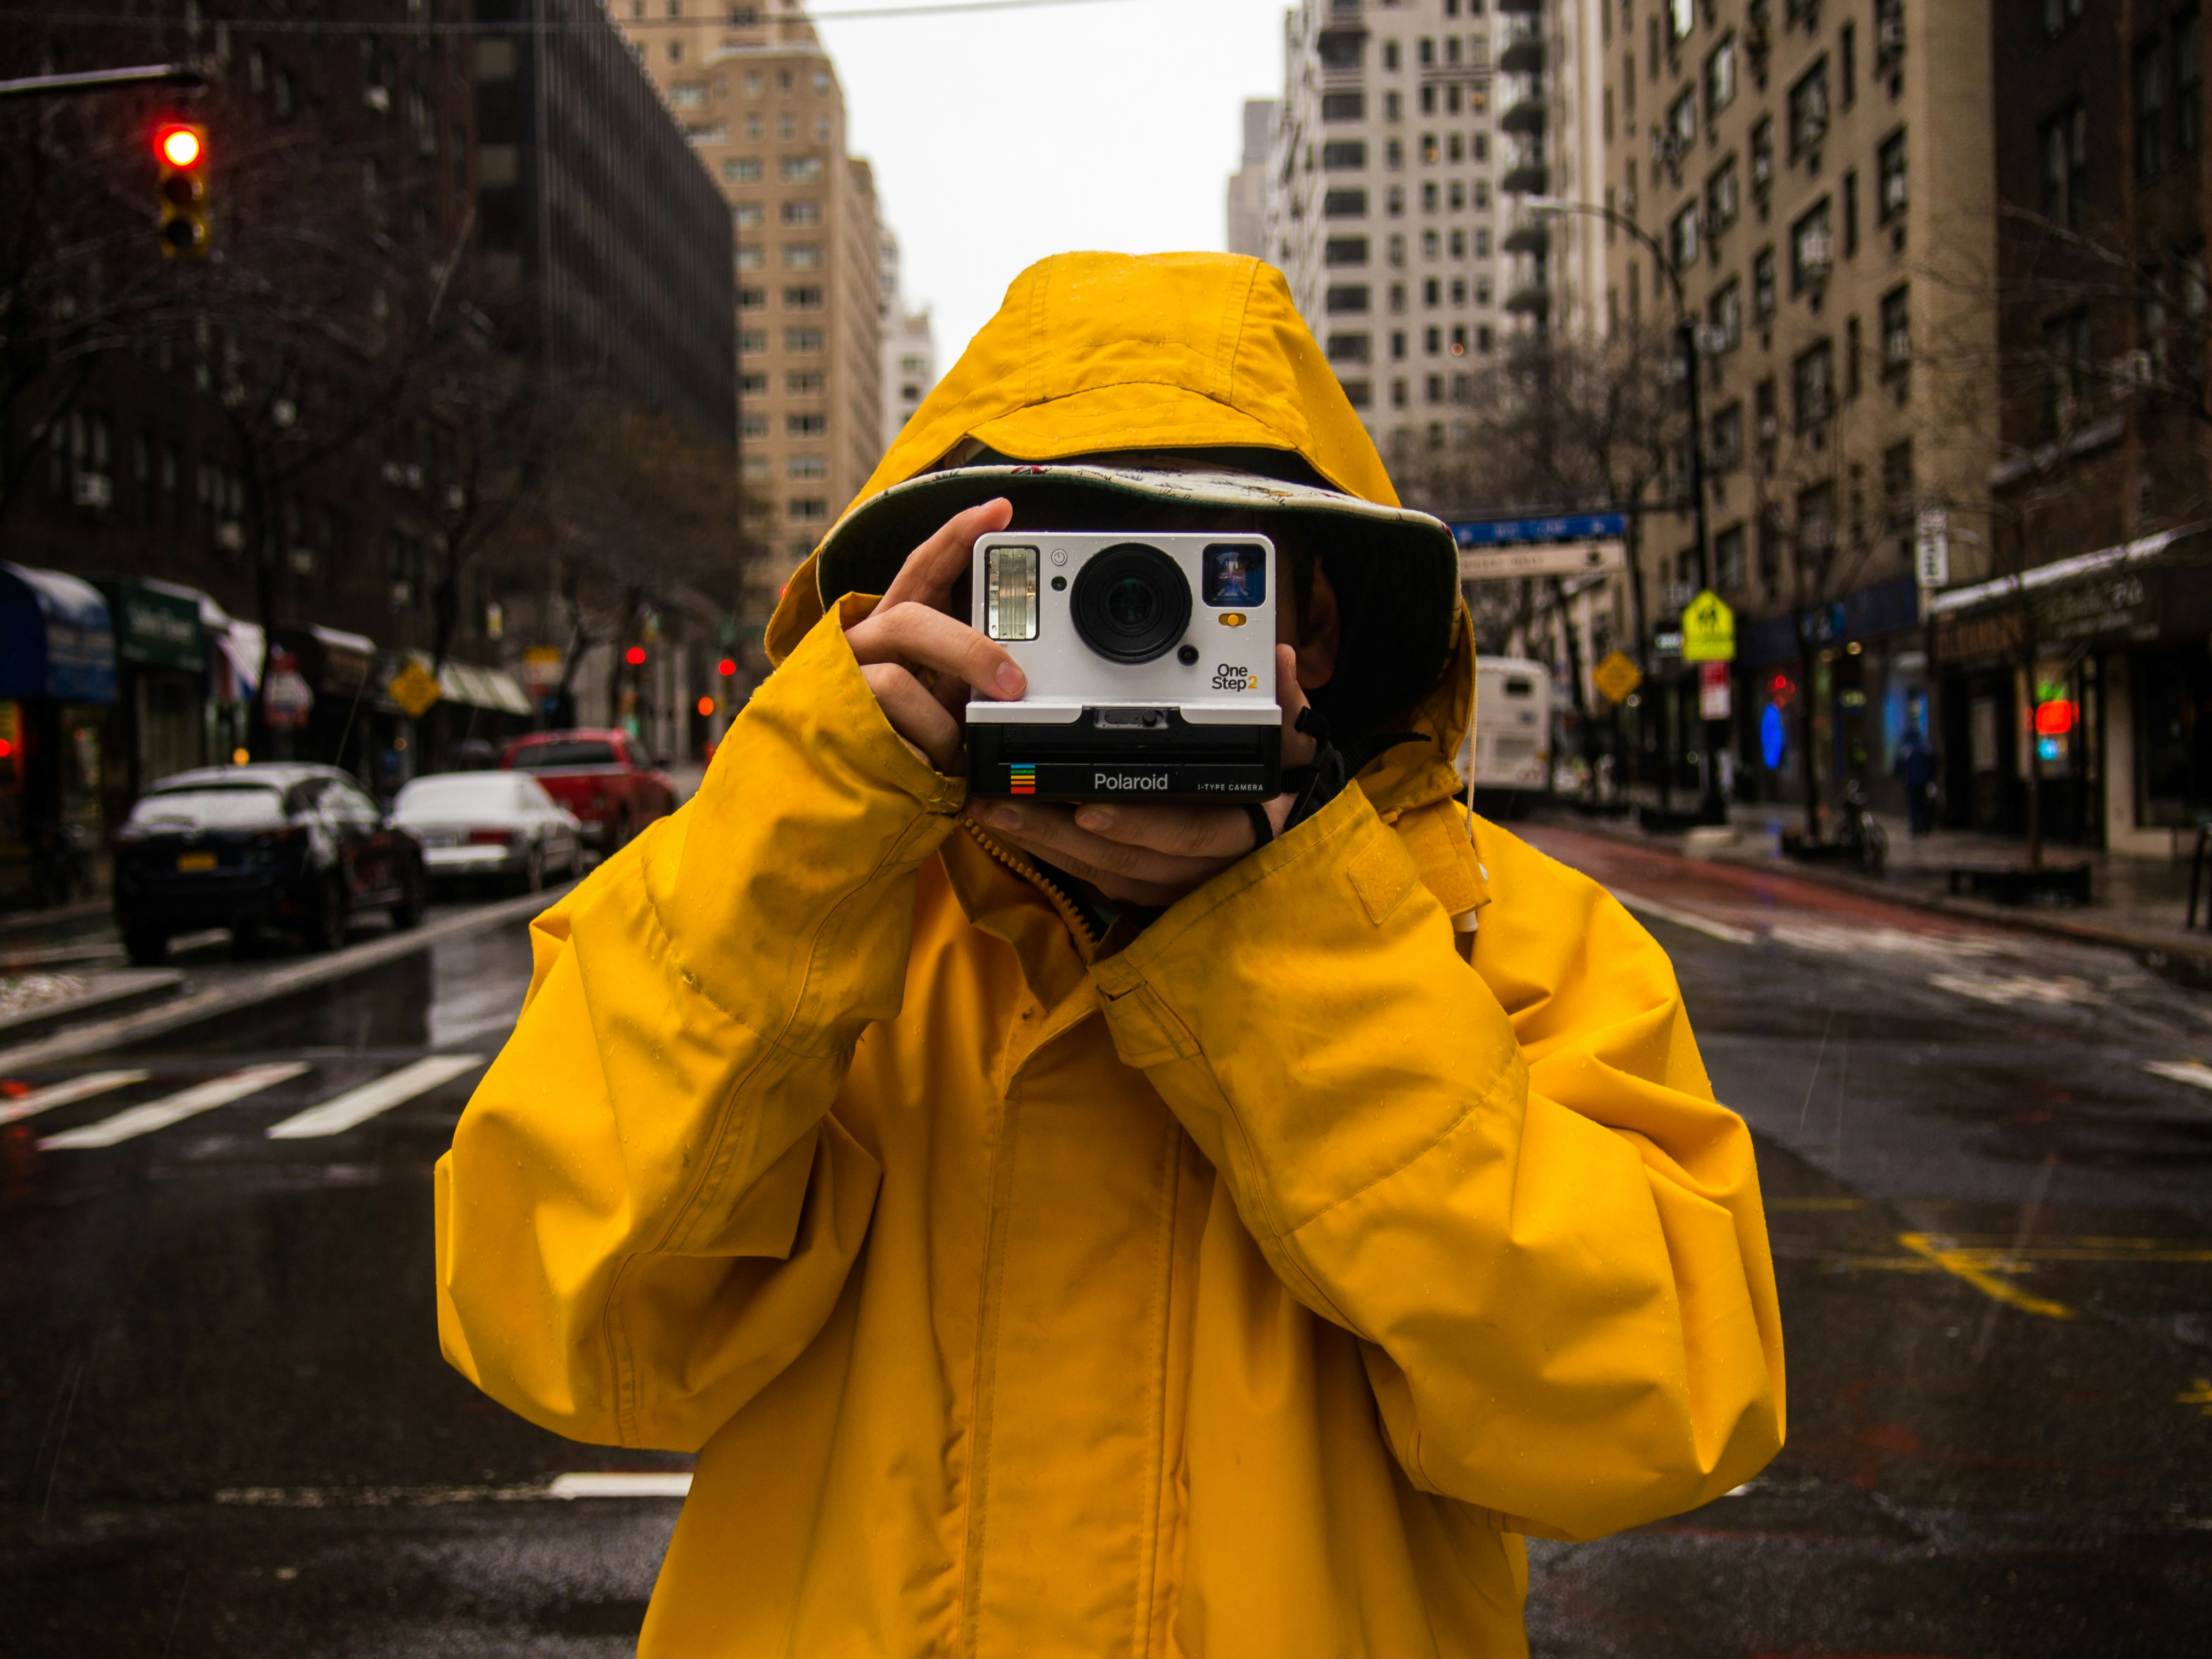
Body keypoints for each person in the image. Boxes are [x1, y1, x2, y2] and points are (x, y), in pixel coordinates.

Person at [434, 252, 1784, 1657]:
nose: (1124, 631)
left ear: (1316, 629)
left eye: (1208, 587)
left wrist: (1292, 935)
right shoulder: (782, 895)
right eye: (1056, 583)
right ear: (946, 593)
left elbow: (1650, 1415)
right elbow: (555, 1324)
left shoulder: (1515, 938)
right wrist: (807, 821)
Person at [1895, 723, 1941, 836]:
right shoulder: (1926, 748)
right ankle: (1926, 825)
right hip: (1926, 782)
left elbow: (1897, 766)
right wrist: (1932, 775)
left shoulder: (1906, 750)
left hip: (1912, 783)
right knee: (1926, 804)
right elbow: (1937, 761)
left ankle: (1917, 827)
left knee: (1914, 805)